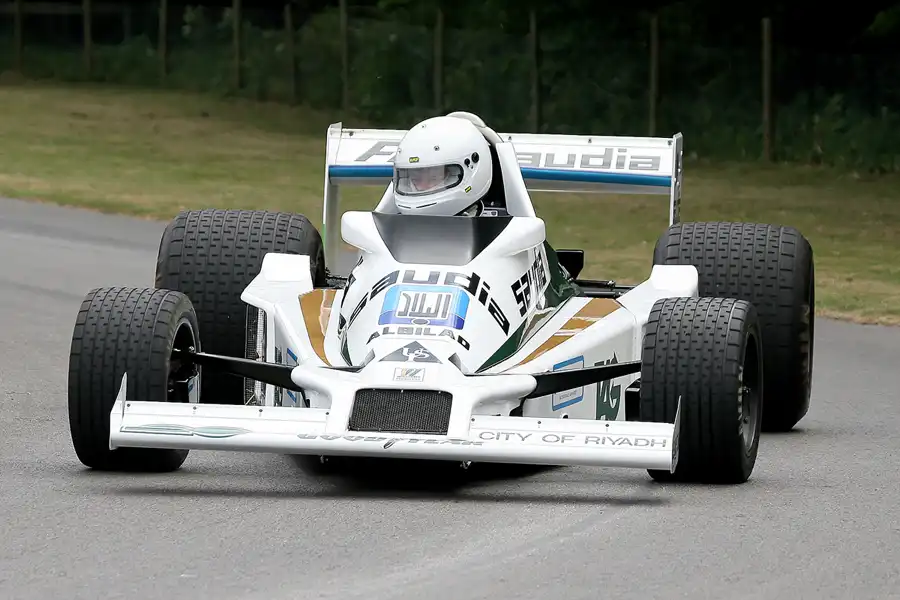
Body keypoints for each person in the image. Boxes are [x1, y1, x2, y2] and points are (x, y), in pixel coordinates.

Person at [391, 114, 494, 217]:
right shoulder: (391, 224)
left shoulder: (498, 226)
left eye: (433, 178)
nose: (422, 187)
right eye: (415, 179)